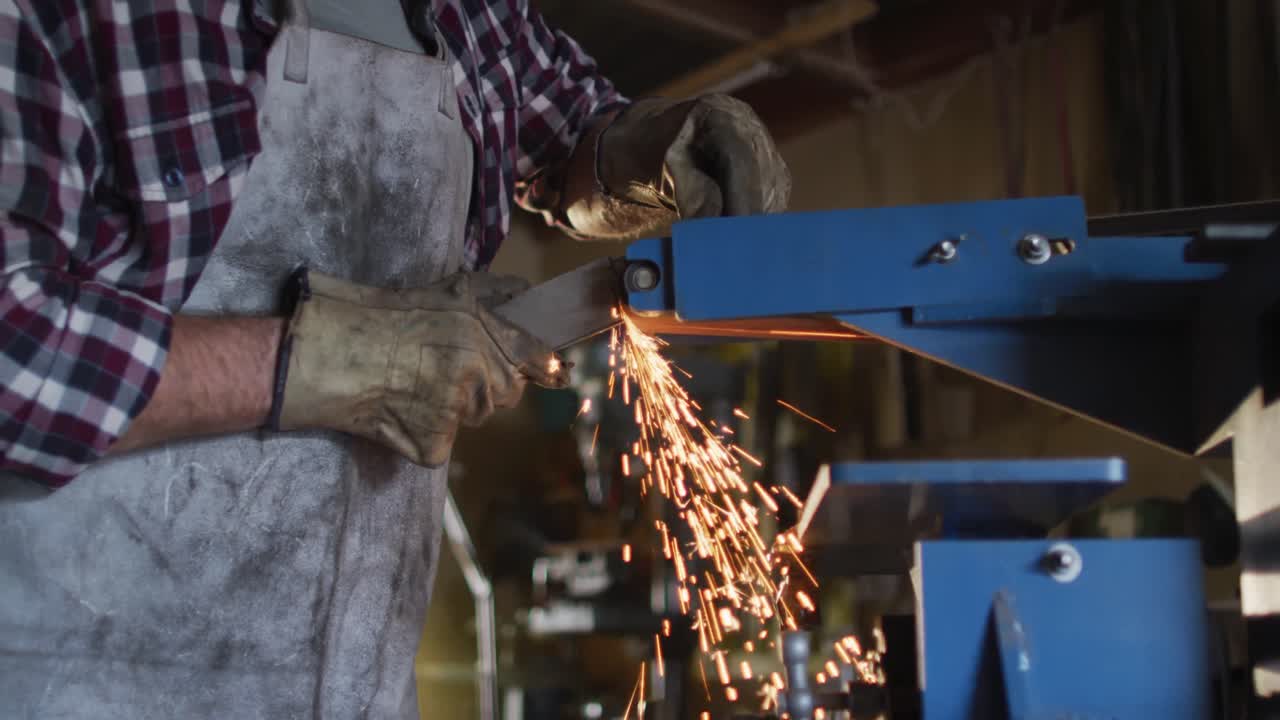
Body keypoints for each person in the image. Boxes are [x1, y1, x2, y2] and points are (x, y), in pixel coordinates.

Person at [0, 0, 789, 716]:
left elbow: (576, 137)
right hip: (74, 686)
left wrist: (655, 148)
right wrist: (322, 364)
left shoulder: (476, 16)